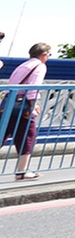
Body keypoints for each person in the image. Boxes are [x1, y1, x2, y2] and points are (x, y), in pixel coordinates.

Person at [6, 42, 51, 181]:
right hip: (22, 106)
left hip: (8, 103)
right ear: (43, 55)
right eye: (49, 55)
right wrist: (33, 105)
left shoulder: (23, 65)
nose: (48, 57)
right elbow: (33, 87)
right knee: (27, 136)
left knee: (2, 133)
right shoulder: (40, 66)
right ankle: (21, 172)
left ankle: (22, 172)